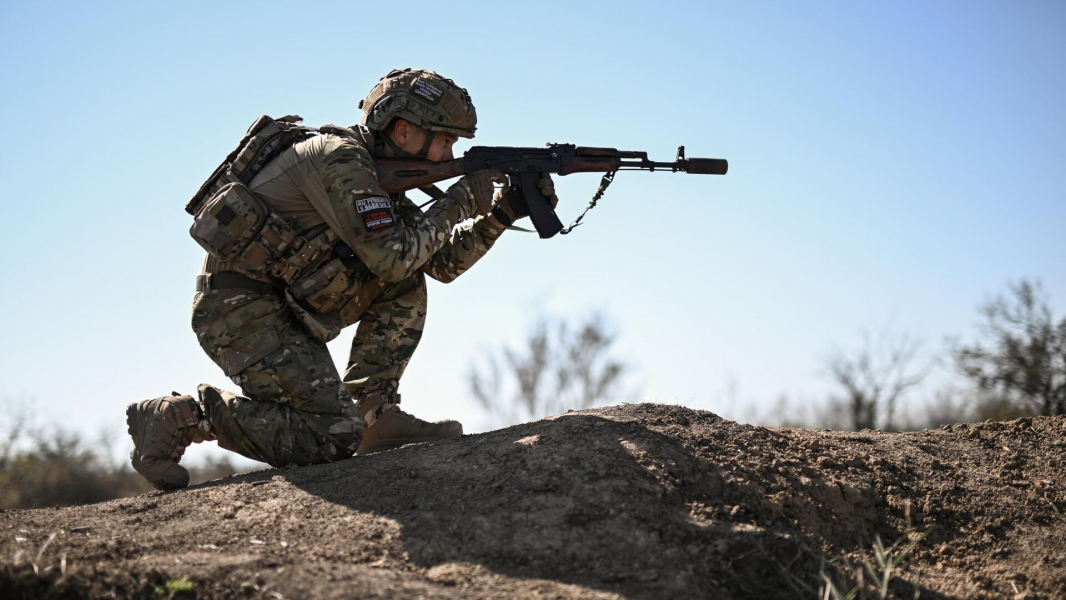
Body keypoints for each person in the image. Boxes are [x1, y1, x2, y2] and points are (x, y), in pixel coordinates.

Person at [125, 68, 557, 490]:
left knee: (406, 280)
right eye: (445, 141)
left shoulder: (378, 176)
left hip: (285, 302)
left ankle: (375, 413)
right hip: (238, 311)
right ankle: (184, 414)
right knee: (330, 436)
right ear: (404, 131)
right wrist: (460, 203)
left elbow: (438, 264)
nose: (450, 156)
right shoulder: (341, 159)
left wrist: (502, 214)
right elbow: (392, 258)